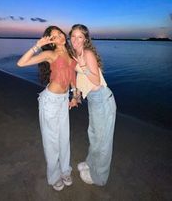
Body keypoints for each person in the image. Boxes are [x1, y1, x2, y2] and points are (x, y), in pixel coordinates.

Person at [17, 26, 77, 191]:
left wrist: (75, 95)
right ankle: (54, 176)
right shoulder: (50, 54)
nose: (60, 37)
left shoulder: (71, 53)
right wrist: (37, 45)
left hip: (64, 100)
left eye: (60, 34)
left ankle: (65, 171)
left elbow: (72, 76)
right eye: (55, 36)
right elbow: (21, 63)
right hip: (50, 101)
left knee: (64, 138)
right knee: (51, 142)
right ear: (50, 41)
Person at [69, 24, 116, 186]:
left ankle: (99, 178)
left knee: (102, 142)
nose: (75, 40)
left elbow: (96, 80)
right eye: (73, 36)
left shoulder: (87, 54)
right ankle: (90, 164)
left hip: (103, 100)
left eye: (79, 37)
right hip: (94, 100)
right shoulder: (76, 53)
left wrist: (83, 66)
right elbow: (80, 78)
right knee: (94, 136)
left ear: (85, 39)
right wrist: (76, 95)